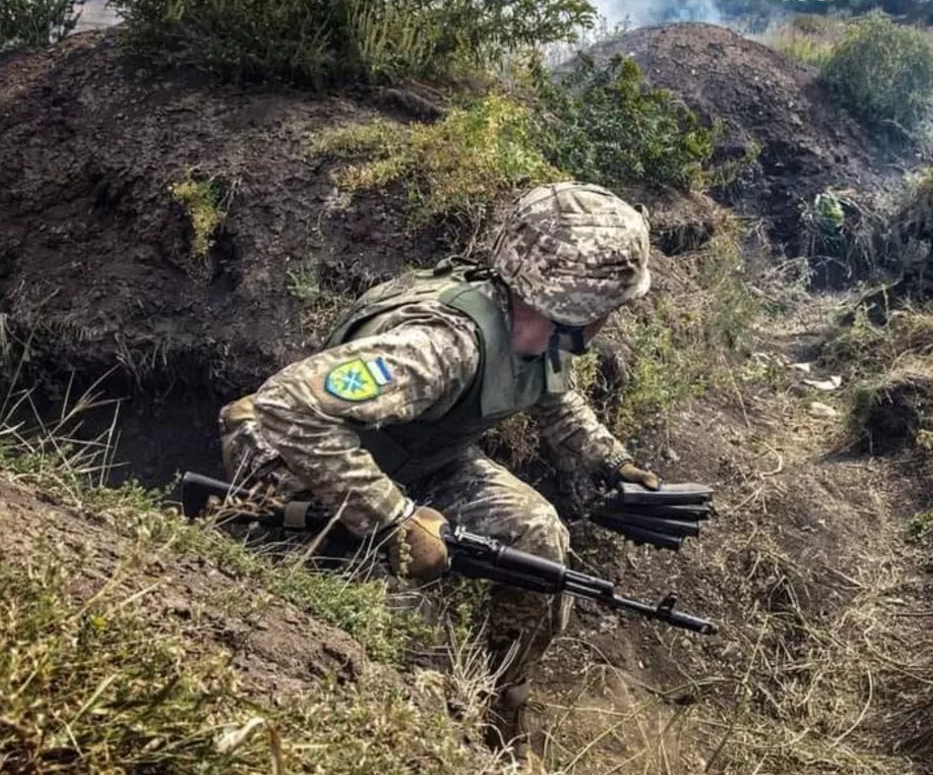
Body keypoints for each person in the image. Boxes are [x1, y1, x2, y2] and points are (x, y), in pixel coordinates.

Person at [217, 181, 662, 769]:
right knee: (412, 634)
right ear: (578, 302)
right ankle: (433, 734)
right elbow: (290, 406)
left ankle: (502, 704)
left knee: (540, 538)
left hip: (424, 459)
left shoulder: (539, 333)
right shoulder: (442, 345)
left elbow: (553, 392)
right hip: (307, 463)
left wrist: (608, 459)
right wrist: (394, 521)